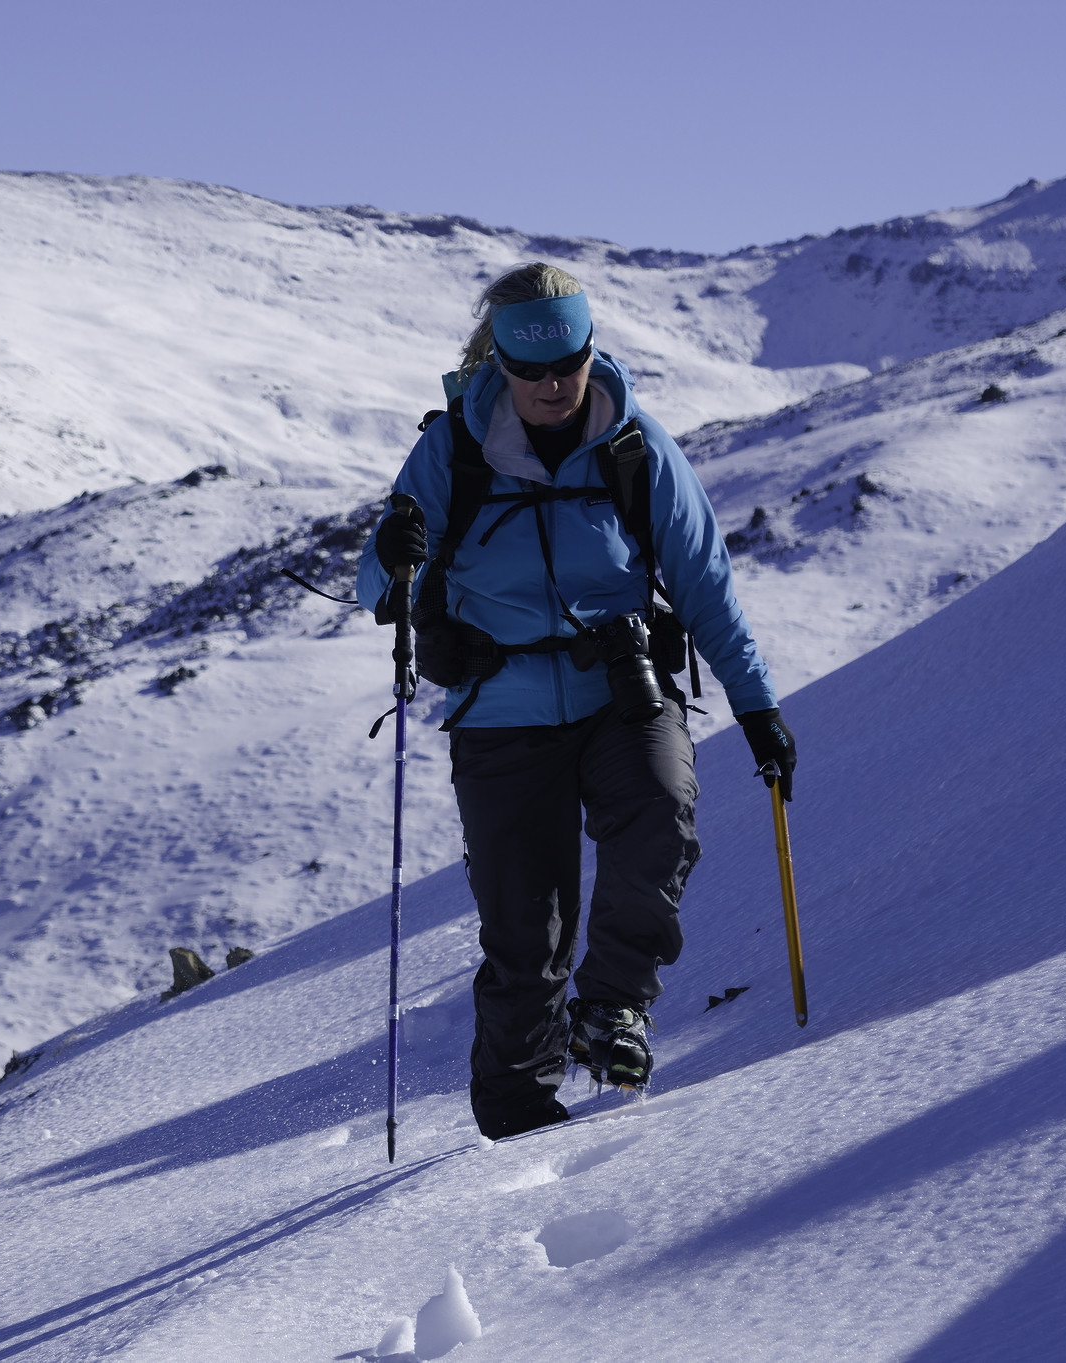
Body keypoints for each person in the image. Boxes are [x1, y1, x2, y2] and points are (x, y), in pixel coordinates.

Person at [356, 262, 797, 1140]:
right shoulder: (452, 452)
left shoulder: (637, 449)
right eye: (532, 374)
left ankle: (613, 1010)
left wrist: (757, 709)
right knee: (528, 929)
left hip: (621, 691)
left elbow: (705, 586)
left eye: (570, 366)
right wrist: (392, 544)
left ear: (591, 351)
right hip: (500, 710)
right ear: (503, 366)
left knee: (661, 814)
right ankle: (517, 1118)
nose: (554, 387)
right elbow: (383, 586)